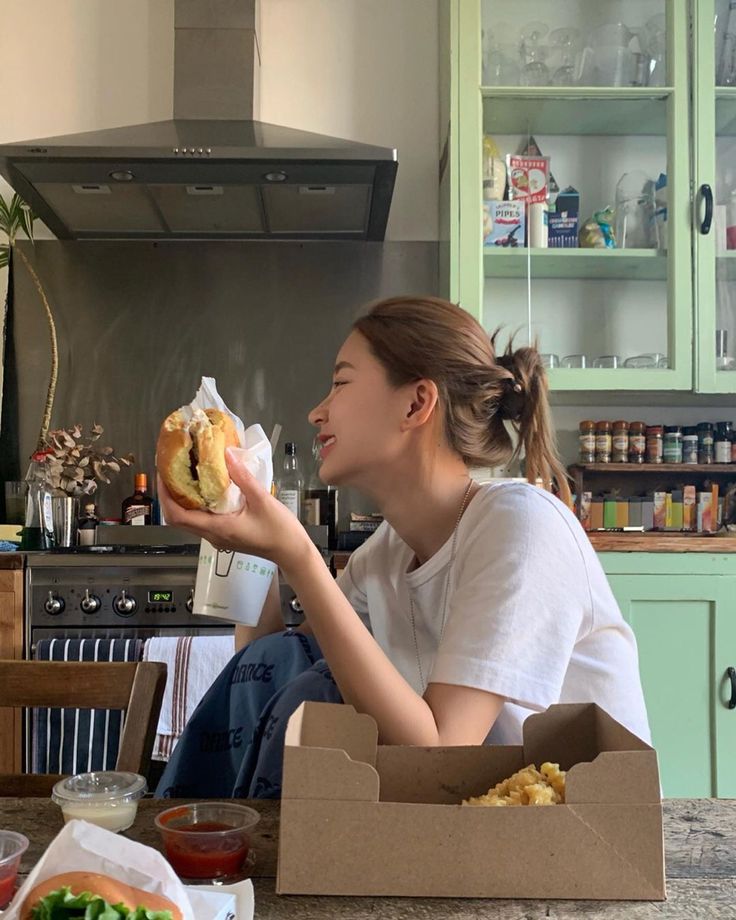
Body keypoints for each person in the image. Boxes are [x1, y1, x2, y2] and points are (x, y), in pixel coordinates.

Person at [155, 296, 650, 798]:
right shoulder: (389, 552)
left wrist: (299, 555)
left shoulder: (521, 526)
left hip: (573, 842)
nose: (316, 412)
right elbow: (276, 663)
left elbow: (441, 754)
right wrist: (238, 530)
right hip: (471, 829)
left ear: (416, 403)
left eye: (340, 382)